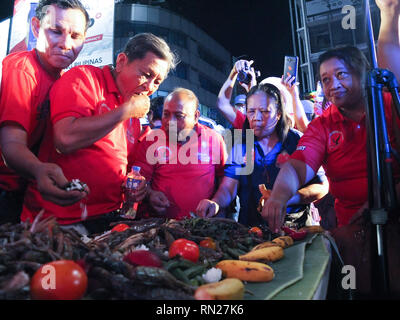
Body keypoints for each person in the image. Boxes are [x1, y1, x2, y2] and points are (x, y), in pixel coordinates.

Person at [21, 33, 177, 234]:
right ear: (121, 61)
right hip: (58, 219)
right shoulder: (84, 79)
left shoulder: (134, 114)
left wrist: (141, 189)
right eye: (147, 75)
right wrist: (125, 111)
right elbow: (65, 139)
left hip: (107, 218)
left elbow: (125, 166)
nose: (149, 88)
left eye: (157, 82)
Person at [261, 44, 400, 233]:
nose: (333, 85)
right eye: (326, 80)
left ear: (362, 73)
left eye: (341, 74)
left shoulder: (390, 105)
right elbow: (298, 166)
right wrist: (279, 195)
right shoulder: (323, 125)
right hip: (353, 231)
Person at [0, 0, 90, 224]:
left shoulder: (63, 81)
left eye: (76, 35)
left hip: (24, 190)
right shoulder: (22, 69)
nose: (66, 43)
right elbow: (11, 145)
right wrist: (39, 170)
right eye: (56, 31)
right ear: (36, 27)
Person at [196, 83, 328, 227]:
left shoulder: (298, 141)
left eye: (264, 111)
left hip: (295, 228)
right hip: (250, 232)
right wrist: (215, 203)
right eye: (251, 111)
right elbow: (228, 188)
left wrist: (287, 198)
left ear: (278, 114)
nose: (256, 117)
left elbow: (321, 186)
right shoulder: (241, 144)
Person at [133, 88, 227, 219]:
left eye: (178, 116)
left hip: (203, 227)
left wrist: (216, 203)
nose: (170, 122)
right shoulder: (150, 140)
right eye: (166, 114)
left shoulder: (214, 139)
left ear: (196, 116)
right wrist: (150, 195)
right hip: (161, 225)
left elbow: (225, 180)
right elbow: (139, 180)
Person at [216, 59, 257, 129]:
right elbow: (222, 104)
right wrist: (234, 72)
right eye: (239, 105)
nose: (241, 108)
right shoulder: (249, 125)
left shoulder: (279, 132)